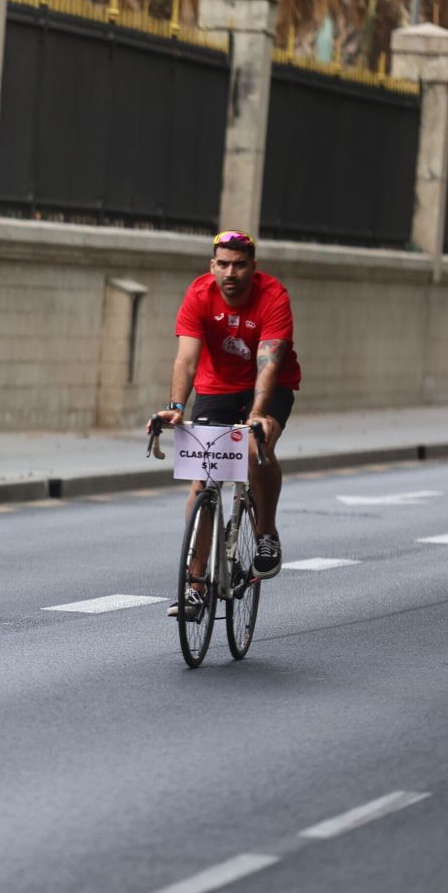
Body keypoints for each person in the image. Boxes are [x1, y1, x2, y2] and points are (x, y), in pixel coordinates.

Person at [150, 230, 300, 618]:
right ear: (212, 265)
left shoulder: (273, 297)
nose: (230, 272)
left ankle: (266, 534)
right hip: (216, 387)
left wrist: (257, 415)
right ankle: (196, 586)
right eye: (223, 264)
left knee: (254, 448)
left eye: (239, 264)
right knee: (203, 478)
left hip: (269, 386)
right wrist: (176, 406)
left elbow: (269, 363)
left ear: (253, 267)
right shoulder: (199, 294)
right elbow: (186, 359)